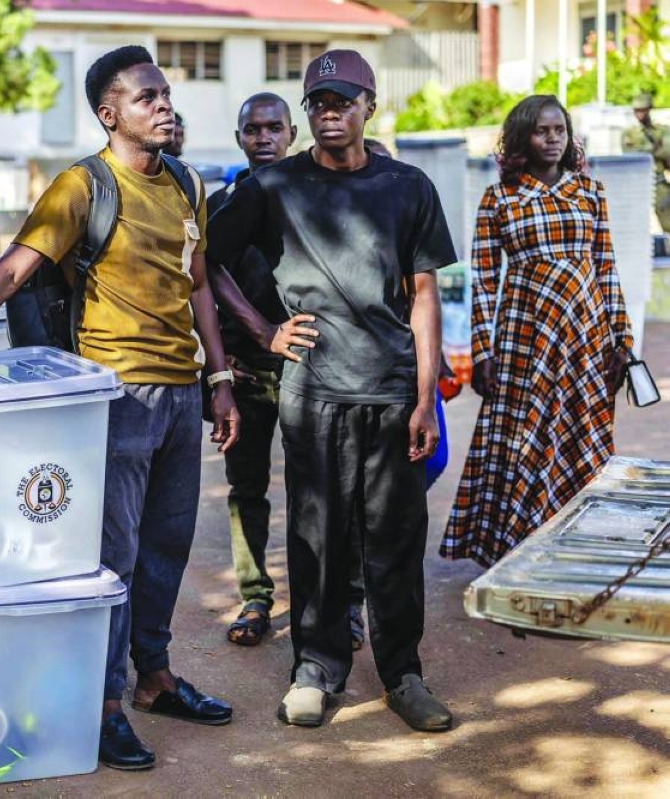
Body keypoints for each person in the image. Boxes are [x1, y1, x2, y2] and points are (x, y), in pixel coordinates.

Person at [0, 45, 239, 771]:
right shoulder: (81, 186)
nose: (164, 105)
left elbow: (199, 284)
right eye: (148, 97)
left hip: (181, 396)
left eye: (167, 94)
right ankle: (104, 702)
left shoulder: (186, 182)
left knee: (166, 547)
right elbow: (11, 270)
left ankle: (154, 677)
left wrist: (220, 378)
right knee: (110, 558)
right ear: (109, 113)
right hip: (114, 397)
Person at [207, 49, 454, 732]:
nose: (327, 114)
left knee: (397, 538)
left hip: (391, 390)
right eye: (317, 103)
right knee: (316, 534)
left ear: (369, 104)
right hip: (312, 390)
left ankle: (403, 674)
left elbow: (424, 296)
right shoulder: (273, 186)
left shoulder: (408, 186)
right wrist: (262, 329)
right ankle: (315, 669)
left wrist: (426, 395)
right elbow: (205, 259)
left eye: (341, 101)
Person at [443, 95, 632, 567]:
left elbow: (606, 267)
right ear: (522, 137)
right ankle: (517, 549)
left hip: (586, 341)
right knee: (522, 439)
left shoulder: (590, 191)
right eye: (542, 131)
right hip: (525, 341)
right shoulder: (499, 198)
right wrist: (482, 352)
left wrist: (622, 341)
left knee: (581, 437)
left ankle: (577, 547)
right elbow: (484, 280)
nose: (553, 139)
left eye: (560, 131)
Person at [207, 93, 295, 648]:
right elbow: (198, 281)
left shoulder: (317, 197)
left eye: (273, 129)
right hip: (243, 371)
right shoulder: (224, 202)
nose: (262, 138)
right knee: (246, 489)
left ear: (292, 135)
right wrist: (217, 369)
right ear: (239, 137)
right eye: (252, 130)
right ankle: (256, 597)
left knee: (329, 490)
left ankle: (343, 600)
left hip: (312, 371)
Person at [621, 93, 670, 233]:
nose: (640, 114)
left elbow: (668, 151)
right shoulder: (629, 133)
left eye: (643, 110)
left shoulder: (662, 130)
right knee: (635, 225)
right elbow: (630, 155)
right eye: (637, 110)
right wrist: (655, 149)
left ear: (649, 109)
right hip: (637, 183)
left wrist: (647, 151)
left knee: (667, 220)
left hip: (658, 182)